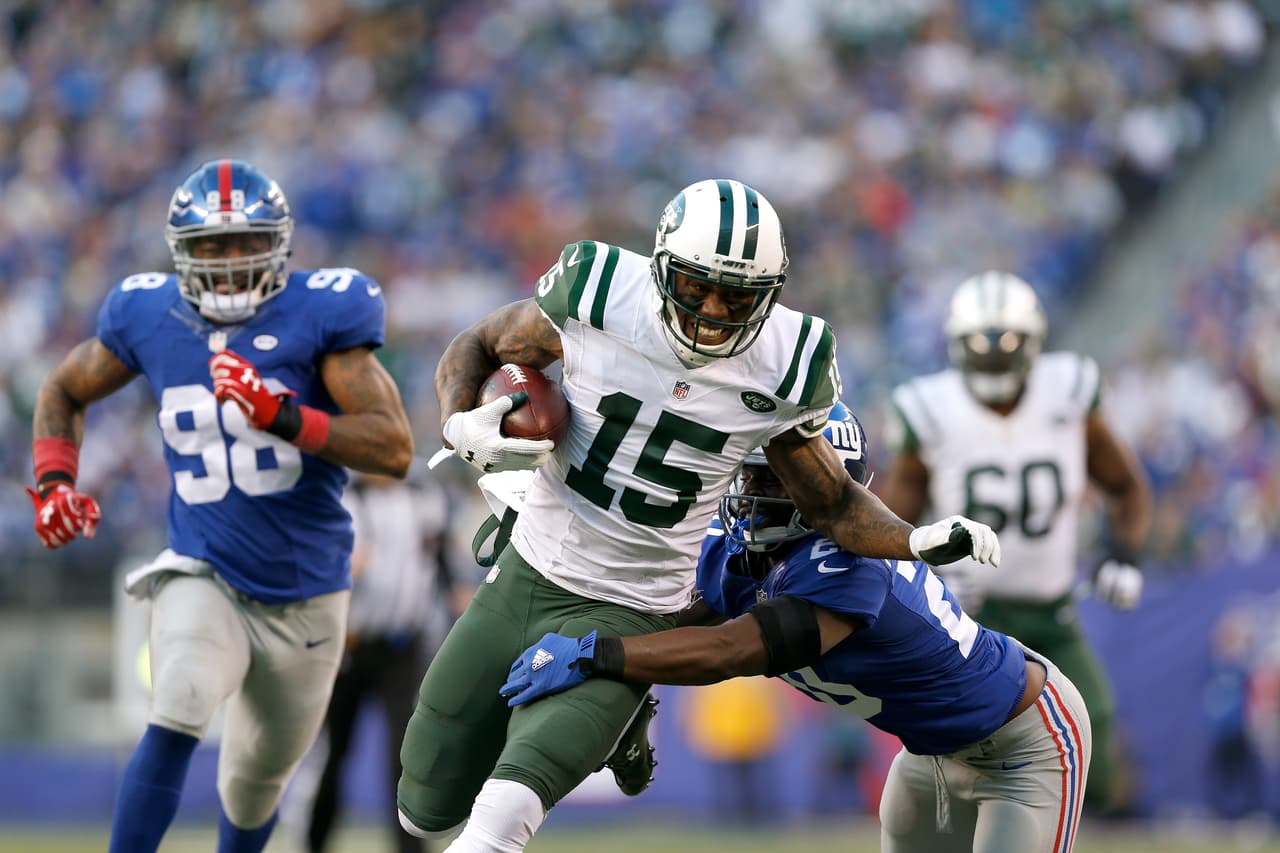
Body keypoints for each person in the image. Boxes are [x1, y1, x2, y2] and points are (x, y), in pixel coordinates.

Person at [397, 178, 1001, 851]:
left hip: (635, 604)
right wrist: (459, 424)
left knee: (505, 812)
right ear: (661, 268)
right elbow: (480, 342)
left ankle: (619, 708)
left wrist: (913, 539)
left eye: (736, 295)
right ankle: (620, 725)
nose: (713, 309)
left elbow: (829, 501)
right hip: (527, 568)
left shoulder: (789, 359)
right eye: (696, 286)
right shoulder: (598, 288)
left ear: (771, 293)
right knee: (422, 808)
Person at [25, 159, 414, 853]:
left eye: (245, 242)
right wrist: (56, 482)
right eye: (211, 245)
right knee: (179, 698)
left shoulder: (323, 313)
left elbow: (393, 448)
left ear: (279, 245)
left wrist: (284, 416)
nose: (230, 262)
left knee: (254, 785)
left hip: (308, 592)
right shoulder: (148, 313)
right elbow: (63, 388)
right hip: (205, 568)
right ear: (182, 253)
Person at [502, 404, 1092, 853]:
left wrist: (595, 654)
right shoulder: (744, 546)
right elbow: (669, 620)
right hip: (926, 757)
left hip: (1021, 745)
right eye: (752, 475)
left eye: (776, 480)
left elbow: (729, 651)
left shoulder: (850, 569)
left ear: (829, 487)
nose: (753, 493)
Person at [876, 270, 1151, 811]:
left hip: (1053, 612)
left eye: (1006, 346)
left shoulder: (1068, 393)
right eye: (980, 348)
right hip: (968, 617)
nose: (994, 360)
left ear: (1034, 343)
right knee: (963, 754)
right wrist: (931, 579)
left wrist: (1124, 554)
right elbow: (892, 530)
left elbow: (1126, 486)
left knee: (1093, 749)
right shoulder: (930, 411)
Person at [303, 470, 466, 853]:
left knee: (405, 756)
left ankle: (409, 850)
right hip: (350, 647)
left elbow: (439, 551)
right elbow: (311, 563)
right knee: (333, 756)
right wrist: (340, 568)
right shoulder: (344, 498)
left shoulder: (425, 495)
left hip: (402, 647)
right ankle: (313, 842)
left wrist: (456, 590)